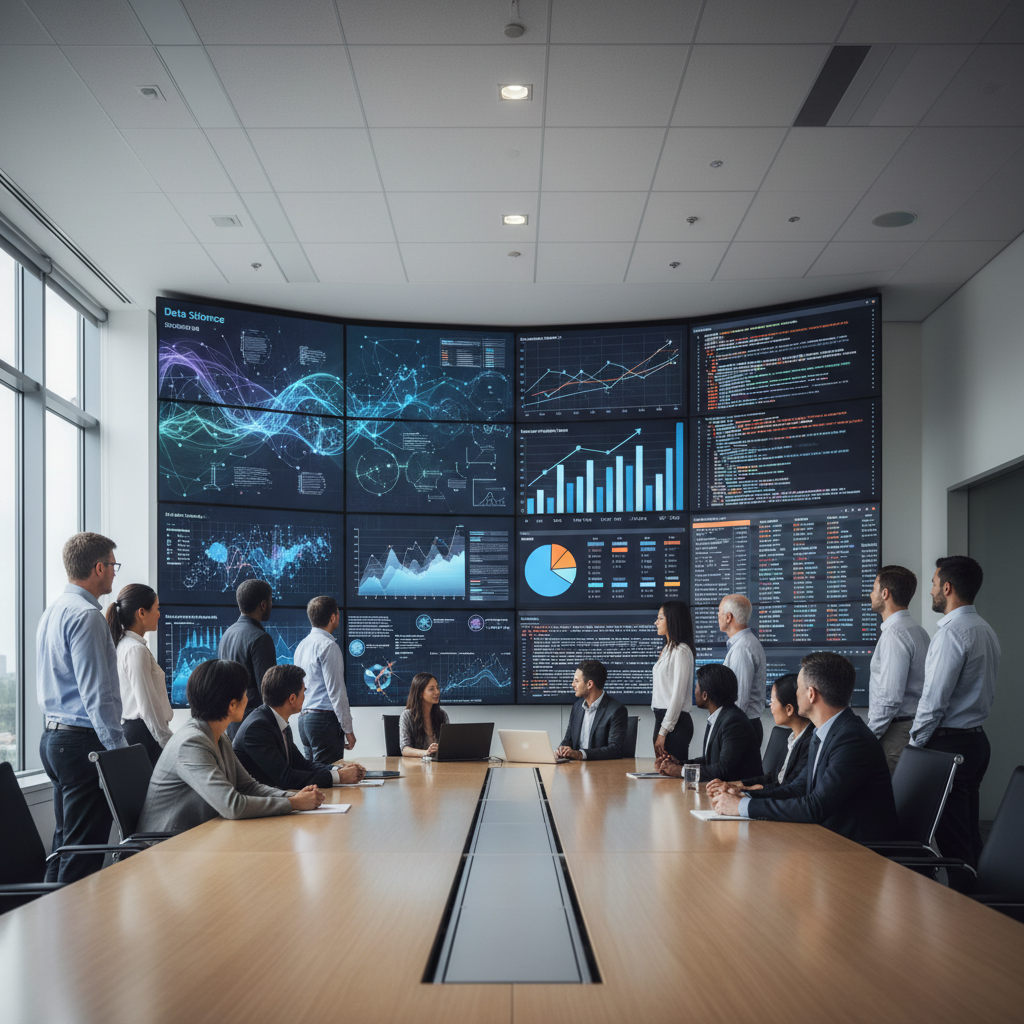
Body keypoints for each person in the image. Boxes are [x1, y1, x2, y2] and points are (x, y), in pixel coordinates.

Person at [710, 652, 900, 844]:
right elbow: (797, 789)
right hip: (826, 840)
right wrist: (744, 795)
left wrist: (742, 806)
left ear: (811, 694)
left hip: (857, 850)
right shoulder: (823, 732)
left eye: (798, 688)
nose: (795, 694)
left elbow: (815, 807)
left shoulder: (852, 739)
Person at [137, 660, 323, 833]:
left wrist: (292, 797)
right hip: (166, 846)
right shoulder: (191, 743)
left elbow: (248, 787)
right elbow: (232, 805)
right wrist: (293, 803)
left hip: (199, 836)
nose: (248, 698)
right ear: (232, 705)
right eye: (244, 693)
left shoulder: (218, 737)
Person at [37, 532, 127, 882]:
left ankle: (46, 913)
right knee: (83, 853)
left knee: (64, 845)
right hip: (81, 743)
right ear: (98, 567)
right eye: (113, 565)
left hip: (54, 739)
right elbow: (97, 694)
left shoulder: (53, 611)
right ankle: (70, 919)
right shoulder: (87, 616)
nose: (115, 572)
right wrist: (118, 752)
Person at [909, 556, 1000, 885]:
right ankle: (983, 903)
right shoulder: (984, 629)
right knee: (969, 836)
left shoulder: (951, 634)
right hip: (975, 742)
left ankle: (967, 909)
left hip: (950, 746)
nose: (931, 590)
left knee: (954, 842)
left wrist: (913, 746)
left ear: (947, 588)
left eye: (934, 583)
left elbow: (933, 702)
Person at [233, 665, 365, 789]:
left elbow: (301, 764)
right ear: (292, 699)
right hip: (259, 800)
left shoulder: (276, 720)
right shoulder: (257, 728)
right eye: (303, 692)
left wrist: (338, 770)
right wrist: (339, 777)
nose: (305, 696)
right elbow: (285, 778)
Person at [867, 565, 931, 773]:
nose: (870, 594)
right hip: (907, 728)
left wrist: (868, 736)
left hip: (894, 733)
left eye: (874, 589)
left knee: (886, 793)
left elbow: (889, 698)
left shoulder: (894, 635)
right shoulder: (918, 631)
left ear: (885, 594)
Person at [706, 673, 811, 794]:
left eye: (773, 701)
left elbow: (788, 788)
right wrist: (738, 784)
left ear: (789, 709)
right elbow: (776, 778)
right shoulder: (792, 737)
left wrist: (745, 791)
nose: (770, 705)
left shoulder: (811, 743)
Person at [657, 664, 762, 781]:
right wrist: (679, 764)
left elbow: (723, 769)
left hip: (740, 789)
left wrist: (680, 771)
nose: (694, 690)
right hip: (721, 787)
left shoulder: (734, 721)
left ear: (705, 695)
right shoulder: (718, 716)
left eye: (696, 686)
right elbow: (709, 761)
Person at [106, 583, 173, 767]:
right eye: (157, 608)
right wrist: (170, 743)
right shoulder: (135, 650)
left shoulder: (124, 645)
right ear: (142, 612)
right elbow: (148, 707)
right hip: (145, 736)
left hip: (140, 734)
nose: (159, 614)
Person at [293, 595, 354, 764]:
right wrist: (348, 730)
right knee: (329, 775)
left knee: (313, 773)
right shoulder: (328, 646)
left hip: (305, 720)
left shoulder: (301, 646)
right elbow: (336, 692)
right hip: (324, 721)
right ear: (333, 617)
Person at [216, 579, 276, 738]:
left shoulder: (227, 634)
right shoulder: (261, 638)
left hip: (232, 724)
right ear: (263, 605)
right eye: (271, 600)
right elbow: (269, 693)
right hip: (255, 726)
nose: (272, 605)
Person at [718, 594, 767, 745]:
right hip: (743, 725)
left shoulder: (742, 648)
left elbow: (739, 700)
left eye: (719, 612)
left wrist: (724, 728)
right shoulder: (745, 643)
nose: (717, 616)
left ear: (728, 617)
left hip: (740, 727)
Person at [557, 660, 628, 761]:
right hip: (576, 768)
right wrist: (562, 750)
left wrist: (581, 754)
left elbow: (615, 749)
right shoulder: (577, 707)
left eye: (577, 681)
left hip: (602, 769)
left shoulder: (616, 710)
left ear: (589, 684)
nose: (573, 684)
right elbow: (568, 741)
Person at [652, 601, 695, 762]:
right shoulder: (667, 649)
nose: (656, 622)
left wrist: (664, 731)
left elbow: (678, 695)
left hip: (674, 724)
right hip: (662, 719)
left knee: (673, 772)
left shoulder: (681, 651)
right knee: (663, 771)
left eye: (660, 618)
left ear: (673, 620)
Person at [400, 672, 450, 757]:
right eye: (431, 689)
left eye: (437, 688)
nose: (437, 692)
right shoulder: (407, 715)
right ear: (420, 693)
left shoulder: (442, 715)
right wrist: (426, 752)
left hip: (438, 764)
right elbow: (405, 749)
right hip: (416, 764)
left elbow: (448, 745)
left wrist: (441, 749)